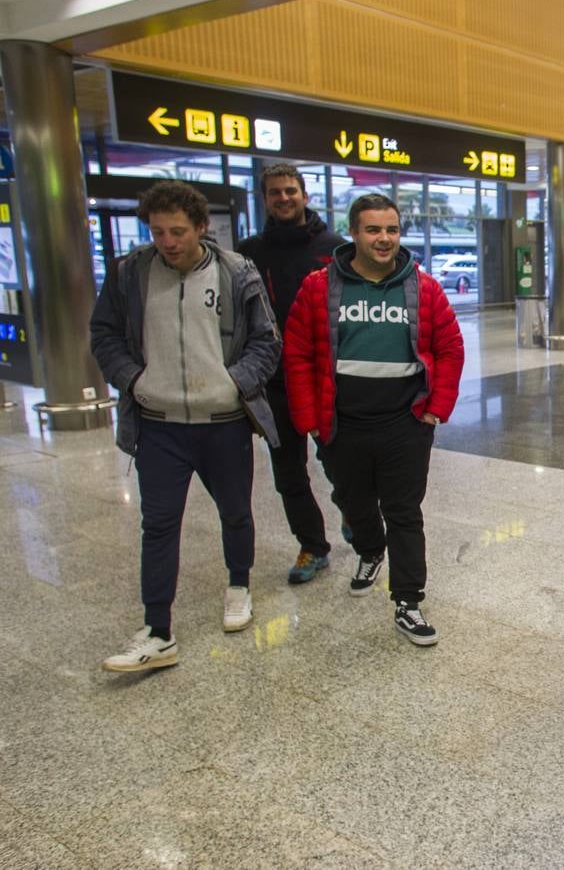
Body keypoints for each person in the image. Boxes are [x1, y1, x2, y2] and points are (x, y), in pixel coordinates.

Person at [90, 180, 281, 671]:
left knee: (235, 512)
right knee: (157, 525)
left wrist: (231, 383)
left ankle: (239, 583)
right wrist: (133, 381)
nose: (168, 242)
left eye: (177, 231)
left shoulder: (236, 272)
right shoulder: (130, 274)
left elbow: (266, 341)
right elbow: (105, 334)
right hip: (159, 425)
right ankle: (158, 630)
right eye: (157, 232)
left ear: (202, 227)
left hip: (223, 422)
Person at [282, 194, 463, 646]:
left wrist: (436, 409)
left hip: (405, 424)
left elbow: (450, 349)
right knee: (352, 501)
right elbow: (298, 353)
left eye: (392, 230)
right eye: (373, 230)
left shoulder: (423, 288)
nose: (384, 239)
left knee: (403, 512)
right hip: (342, 424)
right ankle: (369, 549)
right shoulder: (319, 288)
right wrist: (307, 416)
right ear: (354, 233)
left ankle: (408, 601)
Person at [237, 164, 346, 584]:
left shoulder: (334, 248)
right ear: (265, 199)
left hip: (324, 380)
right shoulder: (249, 253)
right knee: (288, 472)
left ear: (304, 194)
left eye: (290, 190)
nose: (283, 198)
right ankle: (312, 546)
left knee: (339, 462)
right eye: (274, 193)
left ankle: (354, 514)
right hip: (274, 382)